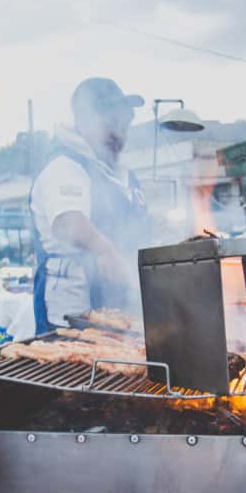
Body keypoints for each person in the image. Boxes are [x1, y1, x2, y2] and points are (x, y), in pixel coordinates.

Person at [29, 77, 150, 334]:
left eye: (124, 124)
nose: (119, 133)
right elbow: (69, 222)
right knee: (74, 368)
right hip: (71, 309)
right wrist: (104, 250)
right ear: (83, 121)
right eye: (110, 123)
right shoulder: (64, 167)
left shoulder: (121, 174)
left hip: (118, 303)